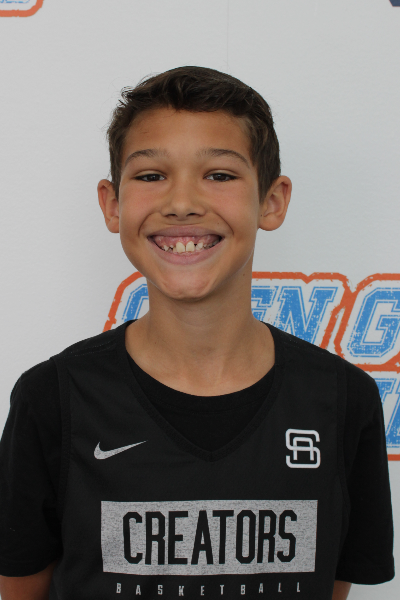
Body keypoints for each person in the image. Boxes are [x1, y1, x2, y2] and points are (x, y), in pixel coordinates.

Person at [0, 66, 394, 600]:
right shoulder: (52, 399)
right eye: (150, 175)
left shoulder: (343, 399)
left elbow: (331, 586)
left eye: (220, 175)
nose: (182, 201)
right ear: (113, 204)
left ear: (272, 200)